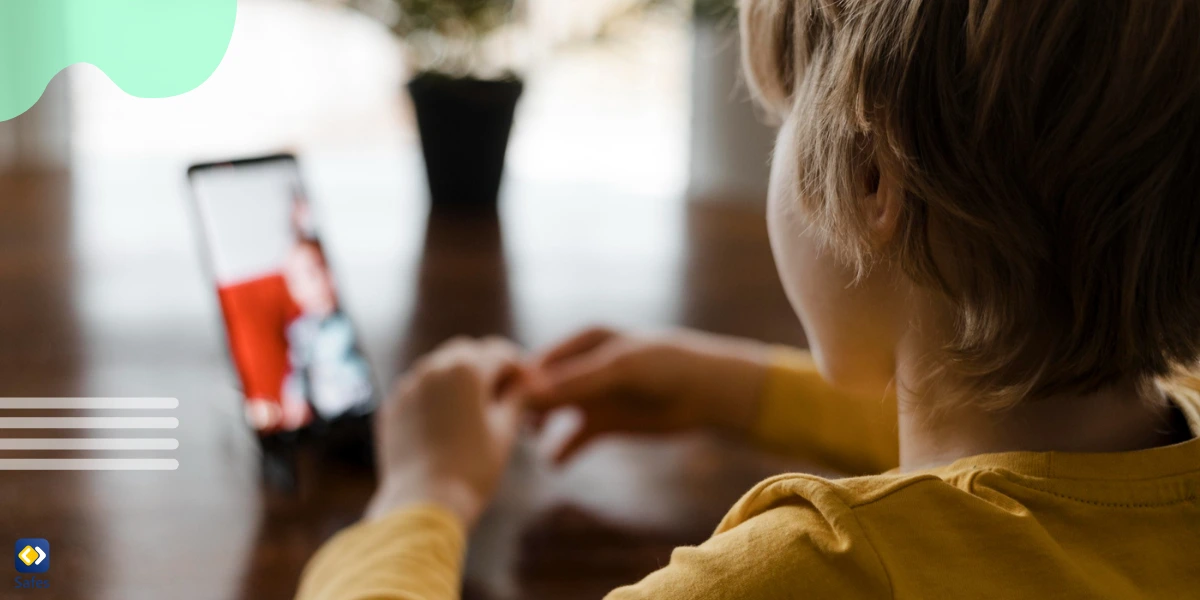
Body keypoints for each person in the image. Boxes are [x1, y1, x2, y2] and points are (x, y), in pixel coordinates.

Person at [296, 0, 1200, 597]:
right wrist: (737, 389)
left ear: (872, 180)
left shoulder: (801, 575)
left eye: (781, 115)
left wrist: (425, 491)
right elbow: (1026, 486)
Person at [281, 238, 374, 426]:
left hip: (359, 408)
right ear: (293, 290)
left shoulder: (348, 321)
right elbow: (297, 369)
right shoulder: (298, 330)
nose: (312, 281)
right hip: (325, 417)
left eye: (317, 268)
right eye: (298, 278)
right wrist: (294, 398)